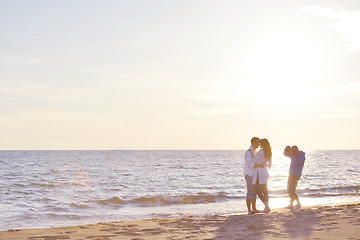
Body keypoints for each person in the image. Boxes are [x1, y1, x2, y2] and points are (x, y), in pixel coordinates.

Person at [252, 138, 272, 213]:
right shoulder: (269, 152)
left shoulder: (260, 152)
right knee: (264, 190)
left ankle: (266, 206)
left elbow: (254, 161)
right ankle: (266, 206)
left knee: (257, 189)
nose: (259, 145)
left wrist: (257, 165)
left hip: (259, 173)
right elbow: (269, 165)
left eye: (260, 143)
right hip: (265, 172)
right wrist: (263, 164)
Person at [243, 137, 261, 214]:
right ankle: (249, 209)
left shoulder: (256, 151)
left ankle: (254, 208)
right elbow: (249, 164)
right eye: (257, 142)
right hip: (249, 174)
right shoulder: (248, 152)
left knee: (254, 192)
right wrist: (257, 165)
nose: (259, 144)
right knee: (250, 191)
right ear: (253, 143)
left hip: (255, 174)